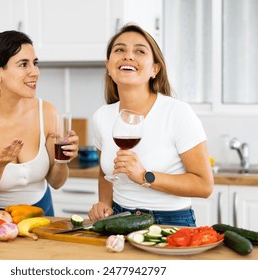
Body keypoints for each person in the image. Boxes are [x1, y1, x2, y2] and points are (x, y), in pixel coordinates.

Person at [88, 24, 214, 227]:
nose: (128, 56)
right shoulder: (101, 116)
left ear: (155, 69)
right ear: (109, 66)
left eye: (139, 51)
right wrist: (104, 202)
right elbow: (106, 172)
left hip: (170, 221)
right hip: (119, 219)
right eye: (119, 49)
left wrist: (145, 176)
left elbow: (204, 185)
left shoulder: (177, 113)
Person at [0, 30, 79, 215]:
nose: (35, 72)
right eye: (23, 64)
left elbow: (57, 182)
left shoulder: (47, 113)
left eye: (35, 64)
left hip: (43, 217)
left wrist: (62, 159)